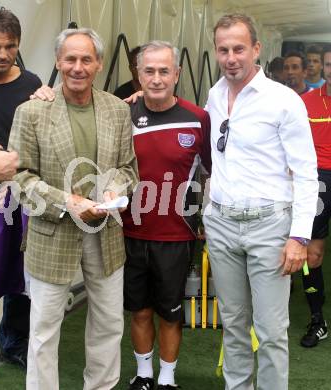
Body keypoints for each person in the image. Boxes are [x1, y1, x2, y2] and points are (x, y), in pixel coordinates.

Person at [8, 28, 138, 390]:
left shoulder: (116, 109)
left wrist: (115, 188)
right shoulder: (31, 111)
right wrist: (68, 203)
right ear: (57, 62)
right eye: (70, 59)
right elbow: (20, 177)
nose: (77, 67)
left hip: (105, 235)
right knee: (44, 330)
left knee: (109, 323)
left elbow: (129, 168)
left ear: (98, 63)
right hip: (52, 235)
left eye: (86, 59)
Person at [203, 13, 318, 390]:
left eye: (239, 48)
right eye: (223, 50)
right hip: (220, 224)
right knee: (234, 326)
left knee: (270, 331)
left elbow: (305, 174)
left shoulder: (284, 101)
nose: (231, 57)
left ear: (256, 48)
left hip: (269, 225)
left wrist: (299, 237)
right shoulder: (215, 95)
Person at [122, 41, 211, 390]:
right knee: (140, 310)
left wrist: (203, 217)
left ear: (176, 74)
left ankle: (167, 378)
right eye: (149, 71)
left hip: (177, 234)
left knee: (170, 312)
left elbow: (210, 172)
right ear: (138, 74)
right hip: (129, 232)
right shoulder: (122, 114)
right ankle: (144, 374)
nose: (156, 79)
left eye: (164, 71)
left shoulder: (198, 118)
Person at [0, 8, 41, 368]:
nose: (2, 54)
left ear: (19, 44)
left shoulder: (33, 85)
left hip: (20, 199)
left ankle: (14, 340)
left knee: (20, 273)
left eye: (10, 46)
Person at [300, 44, 331, 348]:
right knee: (312, 255)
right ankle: (317, 320)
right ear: (322, 68)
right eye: (330, 64)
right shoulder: (305, 102)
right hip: (319, 181)